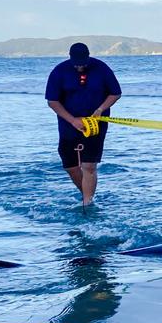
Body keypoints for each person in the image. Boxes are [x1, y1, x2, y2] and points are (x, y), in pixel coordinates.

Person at [45, 42, 122, 206]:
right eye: (77, 65)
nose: (80, 67)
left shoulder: (102, 68)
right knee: (70, 166)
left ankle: (88, 202)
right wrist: (73, 120)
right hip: (68, 124)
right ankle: (86, 192)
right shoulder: (59, 71)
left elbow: (115, 93)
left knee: (89, 166)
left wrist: (101, 109)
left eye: (83, 64)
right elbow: (52, 101)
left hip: (95, 123)